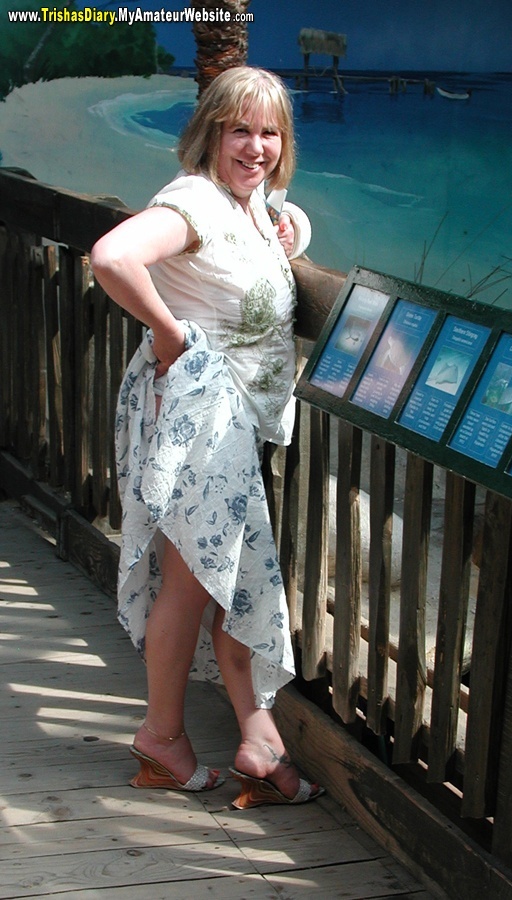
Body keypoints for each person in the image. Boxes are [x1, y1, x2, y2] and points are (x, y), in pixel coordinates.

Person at [90, 65, 323, 808]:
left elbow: (269, 232)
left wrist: (295, 226)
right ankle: (163, 737)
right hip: (204, 421)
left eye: (269, 132)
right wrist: (169, 335)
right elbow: (112, 257)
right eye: (239, 131)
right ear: (210, 136)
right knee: (194, 584)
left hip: (230, 425)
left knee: (223, 580)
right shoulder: (193, 199)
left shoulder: (251, 206)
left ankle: (257, 739)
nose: (255, 146)